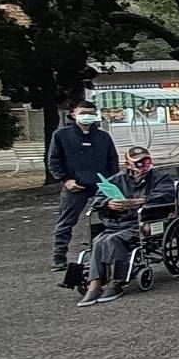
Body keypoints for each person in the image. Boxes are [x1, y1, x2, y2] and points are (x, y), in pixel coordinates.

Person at [78, 146, 177, 306]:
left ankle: (115, 282)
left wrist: (138, 202)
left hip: (145, 222)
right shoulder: (116, 179)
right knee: (98, 241)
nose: (144, 165)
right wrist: (109, 203)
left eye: (147, 160)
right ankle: (94, 283)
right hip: (117, 222)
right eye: (139, 163)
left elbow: (167, 195)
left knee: (113, 240)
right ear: (128, 164)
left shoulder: (160, 177)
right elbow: (97, 200)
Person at [48, 100, 120, 271]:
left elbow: (112, 160)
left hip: (102, 185)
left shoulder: (103, 136)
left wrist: (112, 182)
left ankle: (111, 253)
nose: (87, 117)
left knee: (113, 218)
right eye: (83, 113)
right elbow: (54, 161)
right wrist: (66, 180)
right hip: (75, 185)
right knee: (66, 221)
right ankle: (59, 257)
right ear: (74, 114)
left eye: (91, 113)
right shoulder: (61, 135)